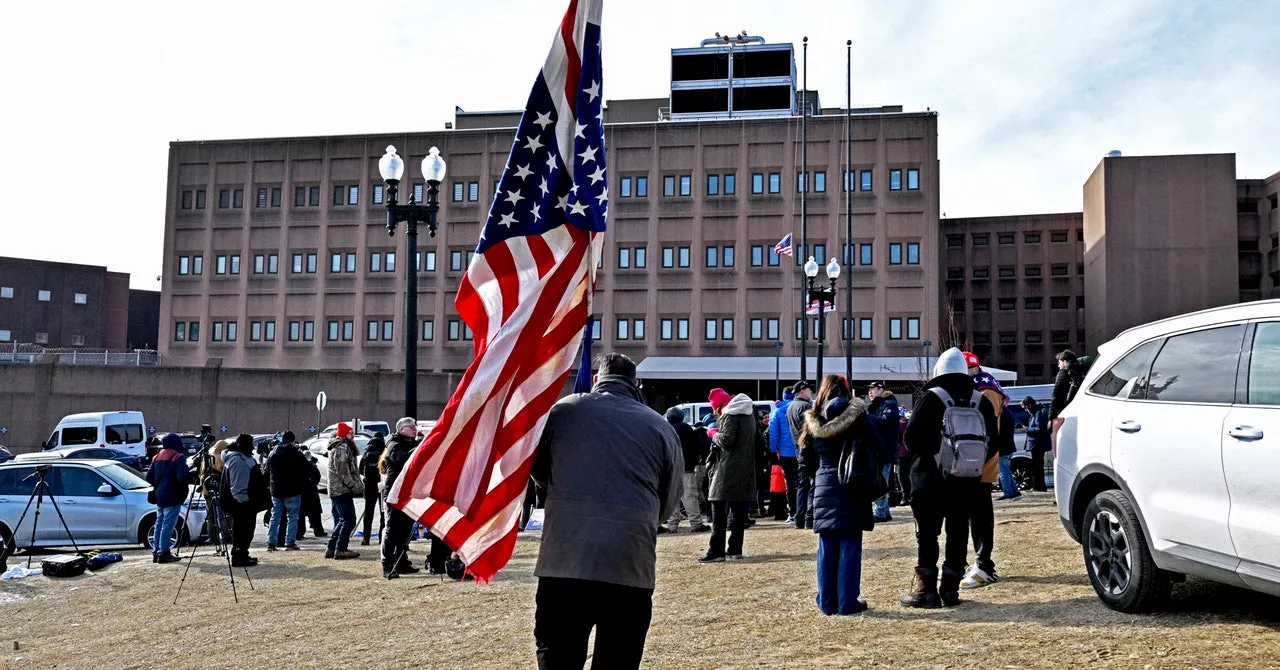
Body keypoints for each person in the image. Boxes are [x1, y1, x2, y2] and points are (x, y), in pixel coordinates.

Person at [531, 353, 682, 670]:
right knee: (619, 659)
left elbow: (539, 470)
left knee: (557, 654)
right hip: (629, 559)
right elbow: (669, 500)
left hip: (565, 557)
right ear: (635, 383)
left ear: (598, 379)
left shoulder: (563, 412)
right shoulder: (660, 426)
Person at [900, 348, 999, 608]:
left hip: (928, 480)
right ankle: (950, 590)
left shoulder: (931, 398)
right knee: (958, 532)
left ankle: (926, 591)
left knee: (927, 534)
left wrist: (932, 455)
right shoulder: (981, 400)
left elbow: (910, 438)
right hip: (966, 481)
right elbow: (994, 441)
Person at [801, 375, 883, 615]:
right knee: (850, 542)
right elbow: (878, 444)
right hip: (852, 481)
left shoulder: (813, 419)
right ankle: (847, 601)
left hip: (824, 483)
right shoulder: (857, 415)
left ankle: (827, 602)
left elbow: (804, 459)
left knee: (826, 544)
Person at [963, 353, 1017, 590]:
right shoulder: (981, 388)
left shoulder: (985, 390)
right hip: (972, 457)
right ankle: (977, 563)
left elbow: (987, 426)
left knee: (980, 510)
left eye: (967, 369)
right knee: (972, 510)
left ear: (974, 369)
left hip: (980, 458)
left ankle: (984, 565)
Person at [379, 418, 449, 578]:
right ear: (402, 429)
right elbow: (402, 458)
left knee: (405, 529)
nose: (414, 429)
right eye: (411, 427)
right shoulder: (393, 443)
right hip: (395, 493)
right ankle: (387, 564)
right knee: (392, 530)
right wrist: (420, 447)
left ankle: (401, 561)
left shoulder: (410, 442)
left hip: (410, 493)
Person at [699, 388, 757, 563]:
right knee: (739, 512)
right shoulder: (748, 414)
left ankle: (716, 551)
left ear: (720, 406)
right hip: (745, 467)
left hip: (727, 469)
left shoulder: (729, 415)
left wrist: (713, 433)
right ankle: (735, 549)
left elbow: (726, 440)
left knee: (718, 510)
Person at [663, 408, 710, 534]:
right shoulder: (686, 429)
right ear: (681, 417)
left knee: (672, 498)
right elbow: (695, 447)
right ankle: (696, 524)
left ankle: (672, 526)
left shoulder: (665, 428)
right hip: (686, 467)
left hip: (670, 470)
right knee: (690, 497)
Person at [146, 432, 191, 563]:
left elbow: (149, 477)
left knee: (159, 523)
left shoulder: (156, 457)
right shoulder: (178, 457)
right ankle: (164, 552)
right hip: (173, 495)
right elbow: (182, 477)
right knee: (168, 525)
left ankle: (156, 551)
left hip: (160, 495)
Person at [220, 434, 260, 568]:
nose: (253, 447)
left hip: (244, 501)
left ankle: (243, 553)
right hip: (242, 503)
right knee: (242, 530)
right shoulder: (238, 461)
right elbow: (238, 486)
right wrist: (246, 502)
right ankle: (239, 556)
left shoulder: (240, 458)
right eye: (250, 444)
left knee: (246, 531)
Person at [326, 423, 364, 560]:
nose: (353, 435)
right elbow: (343, 472)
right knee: (349, 520)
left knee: (343, 519)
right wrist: (354, 486)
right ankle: (340, 549)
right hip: (341, 490)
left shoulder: (343, 447)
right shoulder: (341, 448)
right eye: (350, 433)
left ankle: (331, 547)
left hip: (339, 490)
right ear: (344, 434)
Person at [266, 431, 309, 552]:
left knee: (275, 516)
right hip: (293, 489)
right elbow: (306, 467)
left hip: (276, 489)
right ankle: (290, 542)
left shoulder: (272, 453)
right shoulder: (296, 452)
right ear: (292, 440)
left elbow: (266, 470)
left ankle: (271, 542)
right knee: (293, 517)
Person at [866, 381, 900, 523]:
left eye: (872, 389)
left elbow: (887, 420)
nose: (870, 392)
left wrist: (868, 418)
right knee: (882, 480)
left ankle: (880, 512)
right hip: (880, 448)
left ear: (881, 389)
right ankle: (884, 511)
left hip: (884, 449)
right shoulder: (879, 404)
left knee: (880, 480)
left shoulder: (889, 404)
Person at [768, 386, 800, 524]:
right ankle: (803, 510)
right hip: (800, 451)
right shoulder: (802, 408)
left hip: (785, 453)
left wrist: (773, 449)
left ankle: (792, 512)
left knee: (790, 484)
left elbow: (773, 434)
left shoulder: (777, 412)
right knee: (803, 482)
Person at [787, 381, 815, 530]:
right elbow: (813, 429)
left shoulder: (791, 407)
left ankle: (799, 518)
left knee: (802, 485)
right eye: (810, 390)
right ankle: (809, 518)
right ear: (803, 391)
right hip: (809, 449)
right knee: (812, 485)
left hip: (799, 449)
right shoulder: (805, 406)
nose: (811, 392)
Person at [360, 432, 387, 545]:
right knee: (383, 513)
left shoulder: (366, 452)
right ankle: (381, 538)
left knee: (368, 513)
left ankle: (366, 539)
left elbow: (360, 469)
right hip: (380, 485)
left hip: (369, 485)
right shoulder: (383, 450)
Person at [298, 443, 327, 538]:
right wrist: (313, 483)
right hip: (311, 489)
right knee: (315, 512)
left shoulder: (297, 465)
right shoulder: (311, 465)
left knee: (300, 513)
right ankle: (318, 531)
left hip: (301, 490)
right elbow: (317, 475)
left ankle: (299, 533)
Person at [1022, 397, 1051, 492]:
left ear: (1029, 405)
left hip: (1038, 444)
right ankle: (1037, 486)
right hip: (1037, 444)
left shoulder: (1038, 413)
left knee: (1037, 467)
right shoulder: (1035, 413)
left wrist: (1027, 430)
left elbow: (1040, 429)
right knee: (1036, 466)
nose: (1025, 410)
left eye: (1025, 407)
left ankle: (1039, 487)